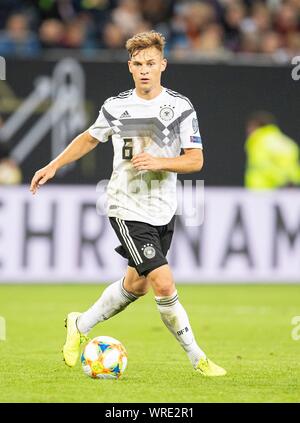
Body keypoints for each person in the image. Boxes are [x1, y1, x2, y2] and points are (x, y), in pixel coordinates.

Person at [30, 31, 226, 377]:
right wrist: (53, 165)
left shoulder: (180, 107)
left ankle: (80, 322)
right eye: (138, 64)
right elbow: (89, 138)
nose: (145, 70)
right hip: (125, 206)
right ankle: (198, 358)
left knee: (136, 284)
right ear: (130, 67)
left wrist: (159, 162)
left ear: (163, 65)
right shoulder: (116, 105)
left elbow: (195, 161)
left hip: (164, 208)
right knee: (163, 283)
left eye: (151, 63)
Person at [245, 111, 300, 189]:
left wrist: (282, 181)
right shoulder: (287, 142)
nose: (248, 130)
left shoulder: (258, 142)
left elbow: (264, 165)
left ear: (257, 126)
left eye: (250, 127)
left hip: (264, 191)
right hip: (287, 190)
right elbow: (292, 168)